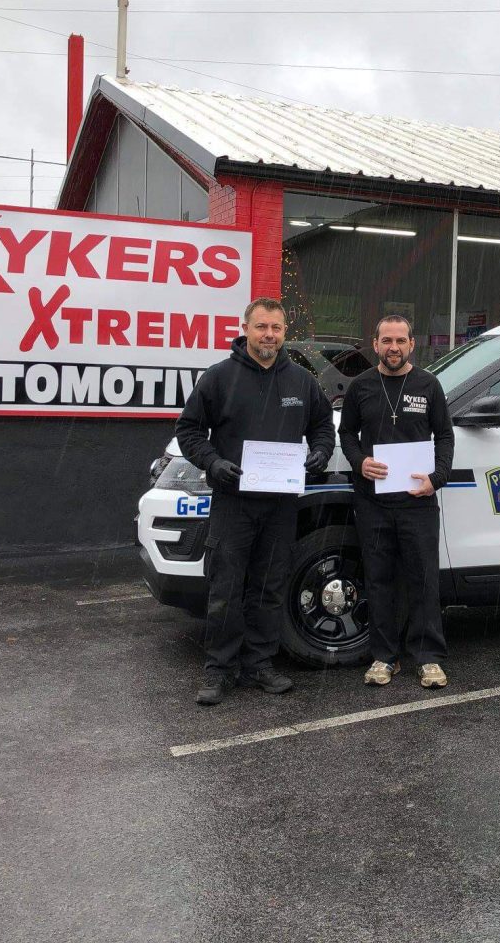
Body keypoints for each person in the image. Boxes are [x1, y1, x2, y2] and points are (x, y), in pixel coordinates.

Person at [175, 297, 334, 705]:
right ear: (245, 328)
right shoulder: (218, 378)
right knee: (226, 586)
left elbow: (321, 428)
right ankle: (218, 670)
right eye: (261, 327)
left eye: (276, 328)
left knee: (269, 586)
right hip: (234, 501)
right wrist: (212, 463)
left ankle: (259, 664)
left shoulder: (301, 380)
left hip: (281, 503)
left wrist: (317, 453)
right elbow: (189, 431)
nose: (269, 335)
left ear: (285, 333)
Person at [338, 315, 454, 689]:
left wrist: (436, 480)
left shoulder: (428, 384)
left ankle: (428, 657)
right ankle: (384, 657)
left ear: (411, 344)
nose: (393, 347)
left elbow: (445, 437)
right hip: (373, 501)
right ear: (375, 344)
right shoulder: (361, 387)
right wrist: (359, 462)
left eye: (400, 340)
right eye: (386, 340)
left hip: (417, 501)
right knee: (379, 578)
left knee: (423, 580)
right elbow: (346, 434)